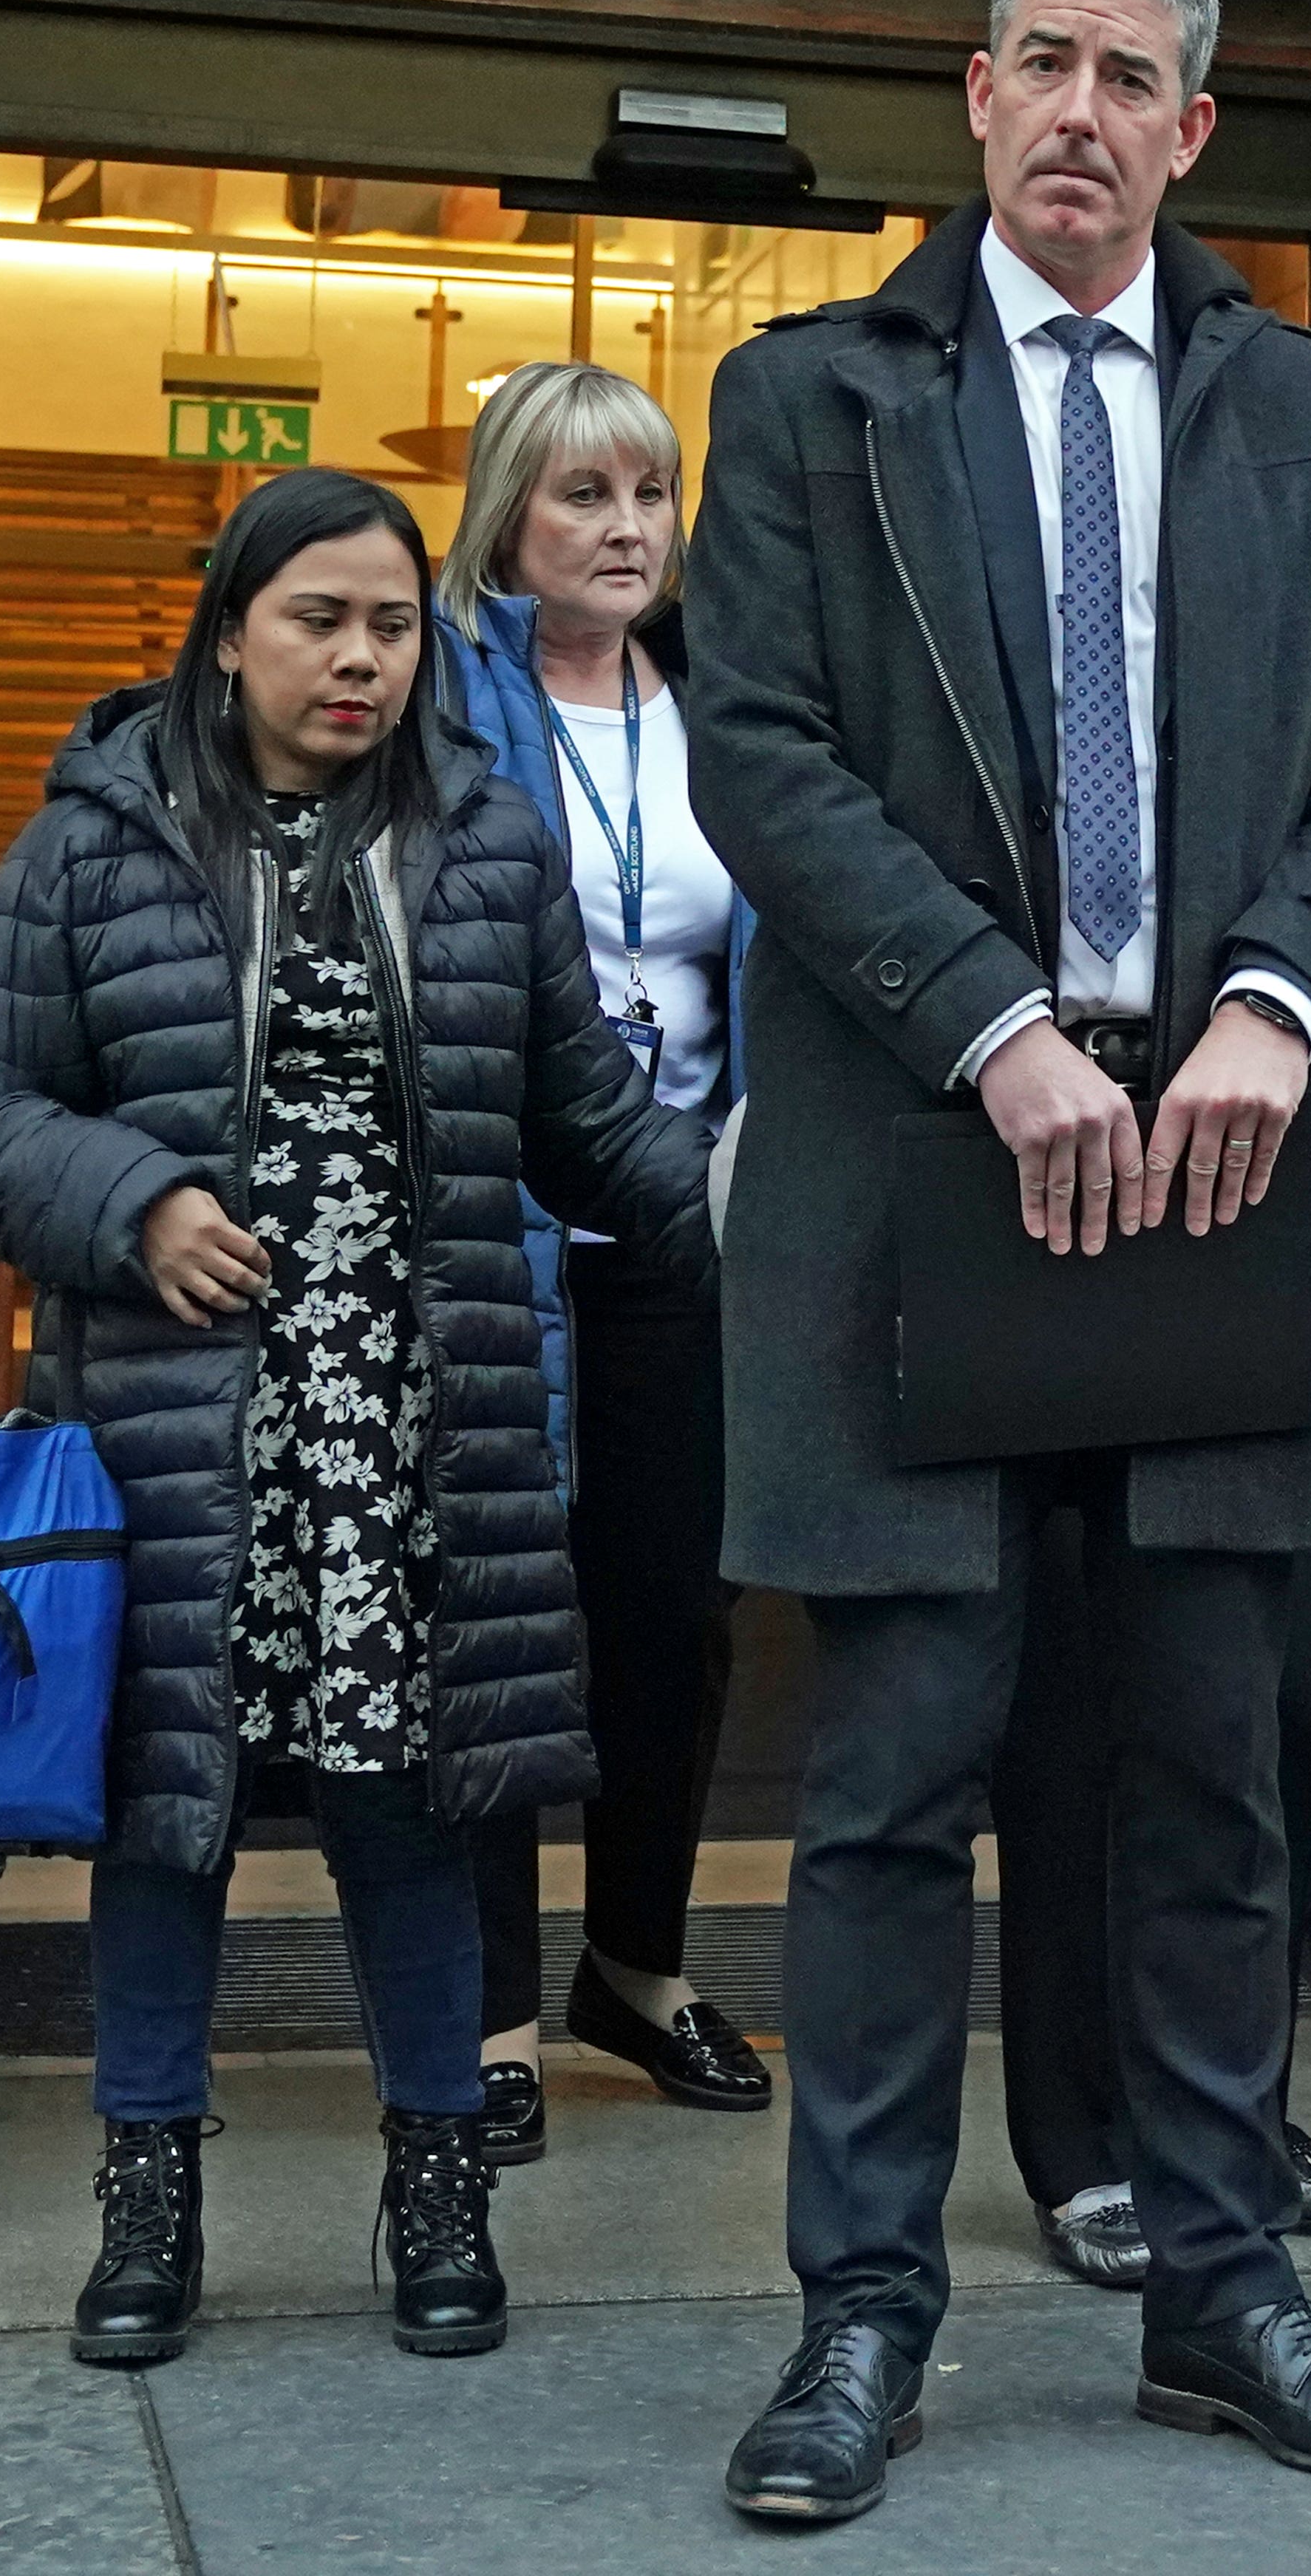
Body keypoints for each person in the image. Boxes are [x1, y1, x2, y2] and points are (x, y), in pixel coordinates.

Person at [682, 0, 1311, 2521]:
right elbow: (764, 764)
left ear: (1196, 129)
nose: (1083, 113)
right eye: (1044, 61)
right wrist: (996, 1025)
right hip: (937, 1144)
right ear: (975, 92)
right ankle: (865, 2321)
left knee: (1211, 1773)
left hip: (1219, 1146)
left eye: (1135, 75)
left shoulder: (1298, 414)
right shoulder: (811, 400)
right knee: (899, 1773)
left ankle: (1229, 2298)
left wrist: (1276, 1004)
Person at [0, 466, 714, 2374]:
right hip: (176, 1425)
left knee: (413, 1808)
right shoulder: (95, 839)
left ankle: (437, 2191)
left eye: (387, 621)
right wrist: (135, 1204)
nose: (359, 657)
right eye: (317, 620)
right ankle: (146, 2210)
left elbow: (584, 1124)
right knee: (165, 1827)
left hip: (413, 1418)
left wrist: (772, 1211)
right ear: (229, 634)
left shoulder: (483, 842)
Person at [997, 999, 1311, 2286]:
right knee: (1078, 1737)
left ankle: (1231, 2104)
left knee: (1308, 1706)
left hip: (1271, 1275)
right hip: (1039, 1260)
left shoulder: (1304, 821)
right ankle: (1083, 2143)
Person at [434, 360, 768, 2167]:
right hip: (493, 1224)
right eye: (583, 495)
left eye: (648, 493)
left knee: (672, 1613)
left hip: (681, 1222)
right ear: (510, 516)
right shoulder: (447, 695)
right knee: (497, 1611)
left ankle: (634, 1965)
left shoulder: (720, 699)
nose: (628, 527)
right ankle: (486, 2011)